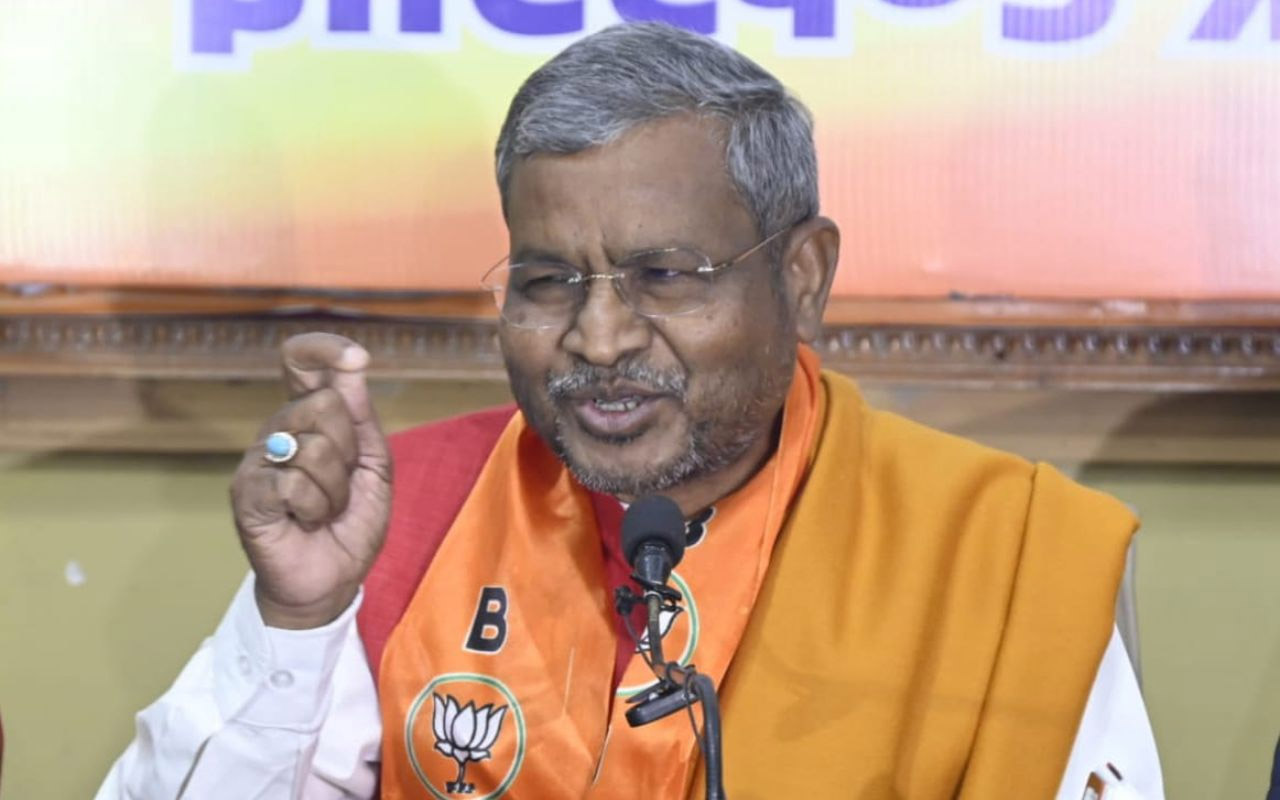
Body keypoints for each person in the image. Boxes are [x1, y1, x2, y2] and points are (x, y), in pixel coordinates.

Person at [96, 22, 1162, 800]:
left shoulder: (998, 553)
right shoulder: (404, 515)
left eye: (665, 274)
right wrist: (298, 618)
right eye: (548, 281)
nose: (599, 339)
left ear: (801, 276)